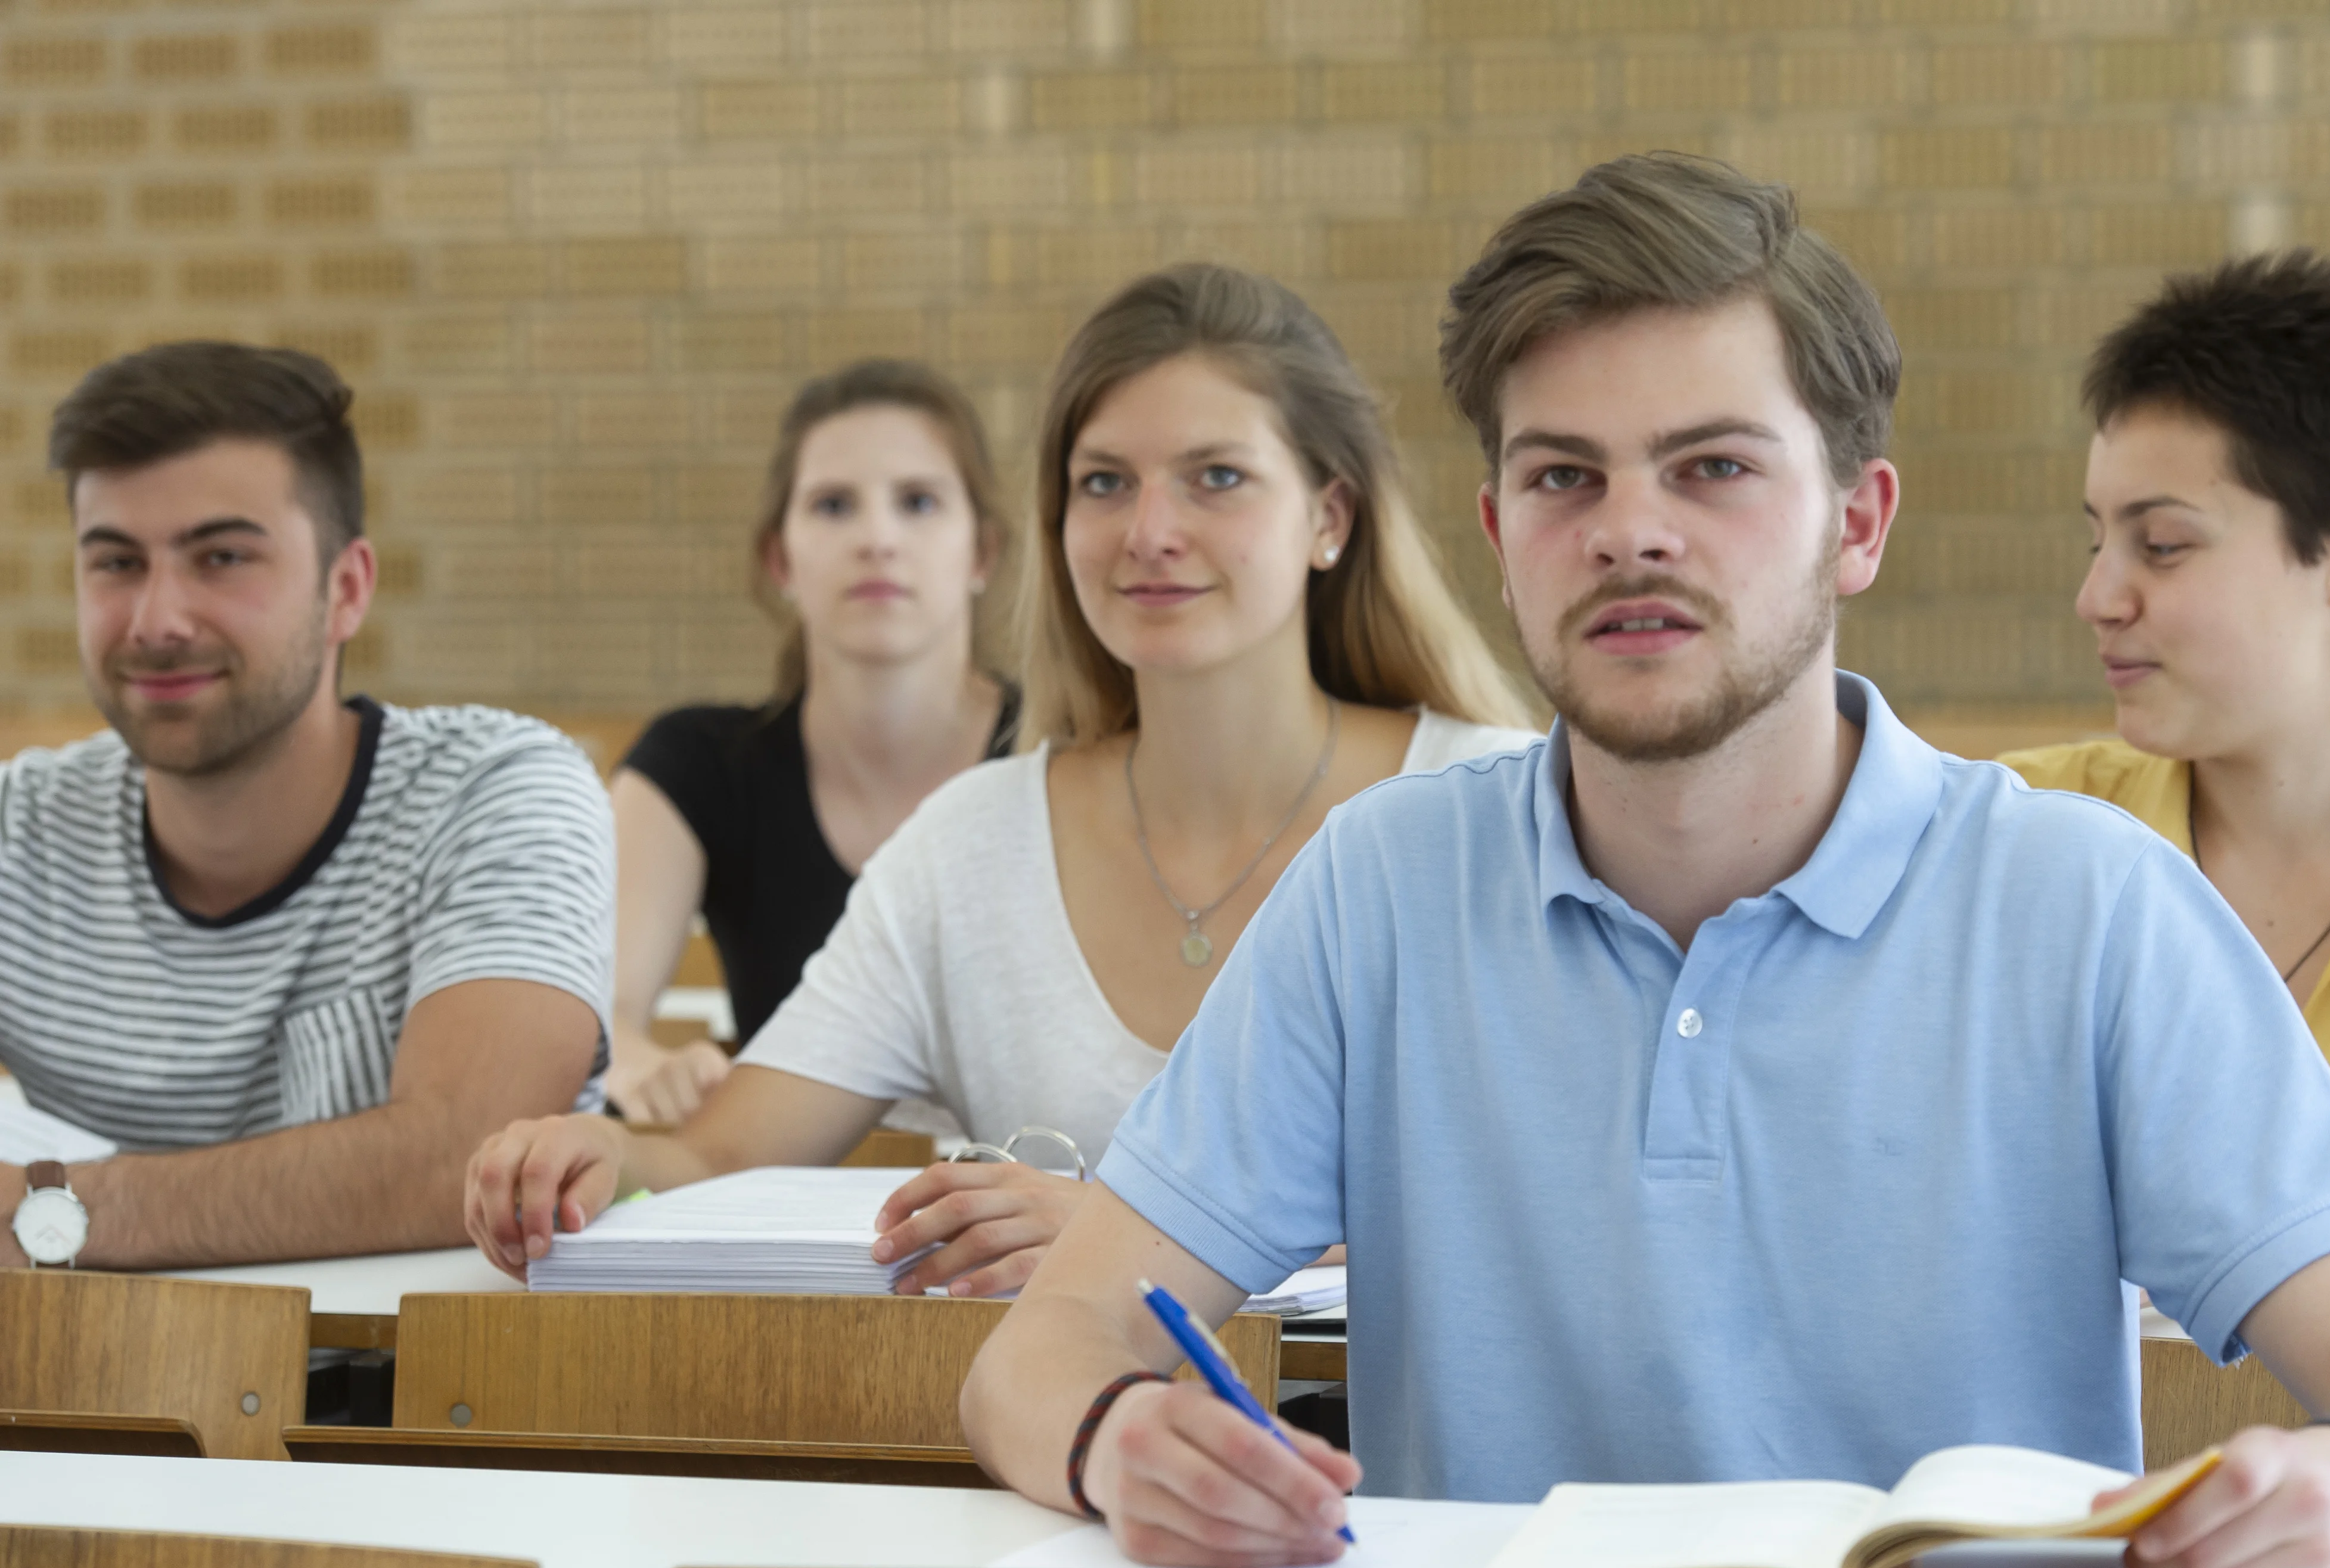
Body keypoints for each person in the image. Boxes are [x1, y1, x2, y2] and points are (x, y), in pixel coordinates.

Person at [960, 156, 2330, 1568]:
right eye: (1563, 478)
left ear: (1858, 522)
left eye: (1711, 467)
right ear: (1500, 535)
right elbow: (1036, 1357)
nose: (1629, 532)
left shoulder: (2094, 906)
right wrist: (1119, 1440)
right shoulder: (1377, 889)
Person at [464, 265, 1538, 1297]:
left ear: (1329, 518)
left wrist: (1129, 1233)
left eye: (1217, 477)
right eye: (1103, 483)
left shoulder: (1493, 805)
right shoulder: (970, 841)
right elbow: (721, 1151)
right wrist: (602, 1155)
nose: (1150, 533)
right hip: (1054, 1422)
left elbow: (1551, 1203)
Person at [0, 341, 611, 1269]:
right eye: (117, 562)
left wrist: (48, 1213)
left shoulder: (497, 790)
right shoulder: (23, 828)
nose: (157, 621)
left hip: (431, 1363)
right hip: (99, 1364)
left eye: (222, 557)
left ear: (347, 589)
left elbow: (462, 1156)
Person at [2000, 253, 2330, 1300]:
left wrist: (2214, 1258)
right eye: (2098, 541)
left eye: (2161, 545)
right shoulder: (2022, 827)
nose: (2098, 597)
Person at [606, 362, 1018, 1126]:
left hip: (1037, 1192)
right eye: (833, 505)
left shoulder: (1069, 752)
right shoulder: (697, 765)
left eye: (918, 502)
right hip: (785, 1184)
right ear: (780, 559)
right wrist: (639, 1065)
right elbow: (597, 1017)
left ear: (981, 553)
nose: (877, 539)